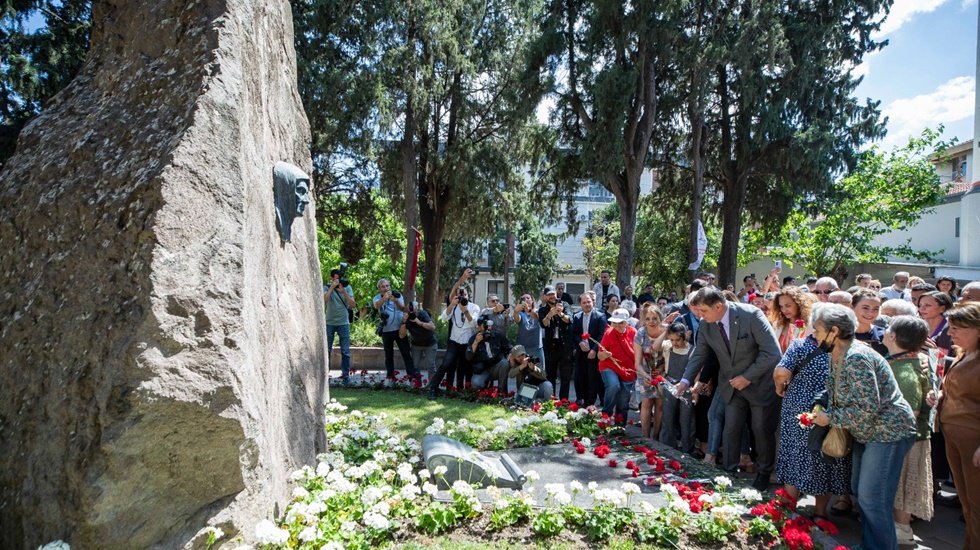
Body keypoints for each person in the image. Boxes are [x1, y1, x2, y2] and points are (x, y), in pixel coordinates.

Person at [809, 304, 916, 550]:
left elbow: (867, 408)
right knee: (861, 492)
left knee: (872, 498)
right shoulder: (840, 352)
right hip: (869, 432)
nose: (814, 334)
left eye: (817, 329)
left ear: (834, 331)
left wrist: (829, 418)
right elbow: (840, 391)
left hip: (887, 432)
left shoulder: (856, 357)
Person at [675, 287, 783, 491]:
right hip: (731, 386)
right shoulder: (707, 325)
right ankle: (728, 472)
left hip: (759, 384)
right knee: (731, 428)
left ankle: (763, 472)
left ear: (718, 306)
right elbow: (700, 354)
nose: (699, 315)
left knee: (761, 430)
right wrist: (685, 381)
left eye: (703, 311)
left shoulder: (751, 315)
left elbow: (772, 353)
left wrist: (747, 377)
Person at [773, 307, 852, 522]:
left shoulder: (799, 345)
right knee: (824, 457)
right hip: (828, 409)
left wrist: (780, 387)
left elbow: (781, 372)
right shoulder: (844, 350)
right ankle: (820, 513)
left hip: (798, 411)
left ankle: (788, 508)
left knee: (795, 455)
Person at [882, 316, 935, 545]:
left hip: (905, 439)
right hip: (905, 437)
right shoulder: (906, 360)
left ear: (893, 336)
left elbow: (909, 412)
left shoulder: (904, 370)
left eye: (887, 330)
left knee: (902, 486)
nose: (883, 332)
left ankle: (902, 530)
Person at [939, 302, 980, 548]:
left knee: (976, 504)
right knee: (967, 503)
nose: (950, 333)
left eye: (956, 328)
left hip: (974, 442)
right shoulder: (965, 353)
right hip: (954, 436)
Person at [427, 270, 481, 399]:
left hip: (467, 341)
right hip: (454, 341)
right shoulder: (454, 306)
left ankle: (464, 392)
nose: (463, 297)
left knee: (465, 367)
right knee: (445, 364)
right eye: (460, 295)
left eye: (465, 294)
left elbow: (473, 323)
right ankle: (433, 389)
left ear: (469, 295)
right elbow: (444, 318)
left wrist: (465, 310)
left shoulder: (474, 307)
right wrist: (452, 305)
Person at [659, 322, 695, 453]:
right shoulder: (668, 346)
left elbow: (696, 371)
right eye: (672, 339)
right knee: (668, 416)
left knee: (686, 418)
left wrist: (695, 390)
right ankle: (667, 447)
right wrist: (665, 331)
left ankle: (687, 449)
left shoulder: (692, 350)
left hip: (686, 387)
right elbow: (655, 347)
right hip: (669, 384)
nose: (674, 343)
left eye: (677, 340)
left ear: (684, 337)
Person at [634, 303, 668, 439]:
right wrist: (646, 376)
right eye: (648, 319)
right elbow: (637, 363)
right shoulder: (640, 334)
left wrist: (662, 373)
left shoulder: (666, 332)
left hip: (664, 372)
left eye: (654, 318)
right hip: (645, 372)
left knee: (660, 404)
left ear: (660, 318)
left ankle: (656, 437)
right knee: (647, 402)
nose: (651, 322)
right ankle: (645, 437)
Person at [372, 279, 419, 379]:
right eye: (383, 286)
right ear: (379, 288)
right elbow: (376, 306)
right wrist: (384, 299)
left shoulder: (397, 295)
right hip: (386, 330)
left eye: (387, 286)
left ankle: (411, 375)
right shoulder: (377, 298)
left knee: (406, 352)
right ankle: (390, 376)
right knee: (389, 355)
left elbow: (403, 309)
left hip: (399, 329)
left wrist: (396, 301)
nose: (386, 288)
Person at [597, 308, 637, 423]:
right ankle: (606, 413)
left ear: (626, 322)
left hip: (628, 370)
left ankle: (620, 424)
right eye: (614, 322)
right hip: (609, 366)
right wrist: (604, 354)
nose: (617, 325)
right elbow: (600, 355)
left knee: (624, 400)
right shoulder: (608, 333)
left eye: (620, 323)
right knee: (614, 385)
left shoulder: (633, 332)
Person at [571, 291, 608, 407]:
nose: (587, 304)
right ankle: (583, 400)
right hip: (581, 352)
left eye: (589, 302)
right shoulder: (576, 317)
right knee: (581, 376)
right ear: (580, 304)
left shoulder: (600, 316)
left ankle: (591, 403)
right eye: (584, 302)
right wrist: (580, 342)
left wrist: (594, 350)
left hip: (594, 352)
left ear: (593, 302)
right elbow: (574, 333)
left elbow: (602, 335)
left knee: (593, 378)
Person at [539, 286, 573, 399]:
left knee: (565, 376)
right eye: (549, 295)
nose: (552, 296)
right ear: (545, 297)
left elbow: (569, 320)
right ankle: (551, 399)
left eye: (553, 294)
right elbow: (543, 324)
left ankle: (564, 400)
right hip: (551, 347)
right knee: (551, 375)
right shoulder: (542, 309)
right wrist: (550, 314)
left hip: (565, 346)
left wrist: (560, 313)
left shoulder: (565, 304)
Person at [324, 268, 356, 383]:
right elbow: (324, 299)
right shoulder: (327, 287)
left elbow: (353, 305)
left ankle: (345, 375)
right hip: (329, 323)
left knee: (345, 351)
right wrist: (332, 287)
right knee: (326, 349)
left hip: (343, 323)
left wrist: (344, 292)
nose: (338, 280)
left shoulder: (347, 287)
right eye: (336, 278)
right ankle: (325, 373)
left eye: (339, 278)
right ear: (331, 278)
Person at [466, 316, 511, 392]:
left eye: (489, 325)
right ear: (479, 327)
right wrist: (476, 342)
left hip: (496, 367)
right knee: (476, 383)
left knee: (505, 363)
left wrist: (510, 355)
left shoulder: (497, 336)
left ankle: (501, 392)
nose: (488, 328)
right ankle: (484, 391)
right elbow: (468, 357)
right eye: (485, 326)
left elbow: (509, 348)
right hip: (482, 370)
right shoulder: (474, 338)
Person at [768, 287, 814, 353]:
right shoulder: (778, 324)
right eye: (781, 306)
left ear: (799, 304)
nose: (784, 310)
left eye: (788, 305)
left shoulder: (810, 324)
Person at [405, 301, 438, 378]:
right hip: (416, 344)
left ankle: (432, 386)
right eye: (409, 309)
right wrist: (404, 322)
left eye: (413, 309)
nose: (412, 312)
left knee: (431, 366)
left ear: (417, 308)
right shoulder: (407, 317)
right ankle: (417, 386)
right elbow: (402, 335)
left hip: (430, 343)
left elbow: (432, 327)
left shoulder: (422, 314)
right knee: (415, 366)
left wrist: (419, 322)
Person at [851, 288, 887, 356]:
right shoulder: (841, 335)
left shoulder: (884, 336)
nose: (870, 313)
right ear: (852, 307)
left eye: (876, 309)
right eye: (865, 308)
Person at [919, 291, 954, 357]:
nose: (921, 308)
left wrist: (934, 353)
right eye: (920, 305)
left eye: (927, 305)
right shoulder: (917, 325)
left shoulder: (951, 329)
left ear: (942, 308)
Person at [513, 292, 543, 365]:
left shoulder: (539, 311)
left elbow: (538, 318)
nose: (525, 300)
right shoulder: (520, 313)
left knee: (539, 372)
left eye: (528, 298)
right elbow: (517, 320)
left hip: (537, 347)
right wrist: (515, 311)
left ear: (532, 300)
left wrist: (529, 311)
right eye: (523, 299)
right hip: (522, 349)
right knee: (522, 372)